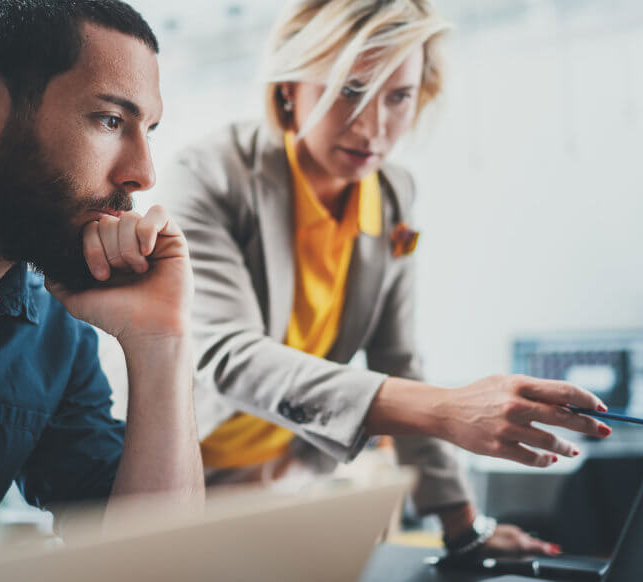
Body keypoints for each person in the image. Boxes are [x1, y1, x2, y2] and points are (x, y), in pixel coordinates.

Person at [163, 0, 611, 558]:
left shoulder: (393, 195)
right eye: (350, 89)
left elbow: (397, 359)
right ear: (287, 86)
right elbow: (229, 355)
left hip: (289, 478)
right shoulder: (210, 177)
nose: (374, 128)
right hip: (181, 475)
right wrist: (446, 408)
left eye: (397, 96)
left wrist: (463, 526)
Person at [0, 0, 202, 531]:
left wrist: (162, 343)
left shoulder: (58, 334)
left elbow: (150, 564)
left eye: (148, 130)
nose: (143, 174)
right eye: (110, 119)